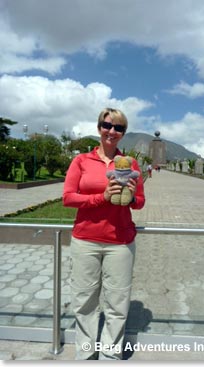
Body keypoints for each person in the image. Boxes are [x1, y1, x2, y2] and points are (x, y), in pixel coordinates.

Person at [63, 108, 145, 360]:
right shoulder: (81, 161)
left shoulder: (130, 164)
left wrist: (130, 195)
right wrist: (102, 198)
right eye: (107, 125)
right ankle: (86, 354)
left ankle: (110, 355)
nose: (112, 131)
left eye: (119, 128)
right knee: (84, 301)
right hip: (85, 240)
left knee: (117, 303)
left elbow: (140, 202)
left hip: (120, 242)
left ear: (123, 133)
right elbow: (67, 198)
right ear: (99, 127)